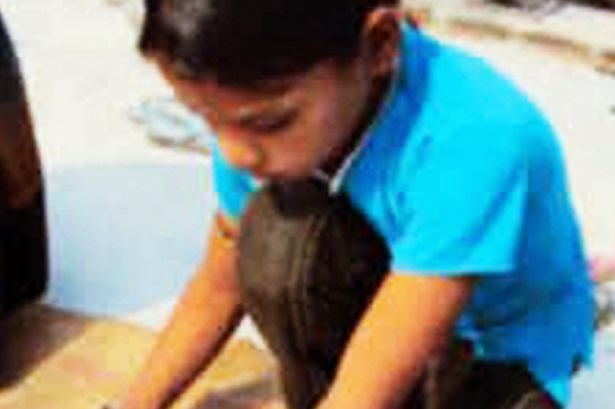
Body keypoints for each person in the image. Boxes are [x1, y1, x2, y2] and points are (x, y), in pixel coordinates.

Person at [114, 0, 595, 408]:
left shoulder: (476, 136)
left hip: (498, 349)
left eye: (269, 123)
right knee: (274, 239)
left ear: (381, 44)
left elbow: (387, 352)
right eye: (206, 118)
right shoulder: (251, 115)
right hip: (391, 292)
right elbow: (220, 285)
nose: (236, 154)